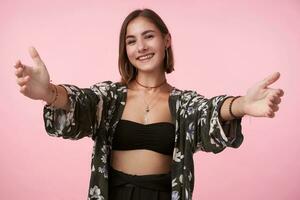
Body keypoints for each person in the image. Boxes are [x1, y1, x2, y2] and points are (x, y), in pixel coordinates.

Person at [14, 8, 284, 200]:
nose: (140, 46)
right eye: (131, 41)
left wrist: (241, 105)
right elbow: (82, 103)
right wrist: (49, 92)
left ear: (166, 40)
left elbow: (208, 112)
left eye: (149, 36)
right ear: (126, 50)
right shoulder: (110, 97)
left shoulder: (183, 103)